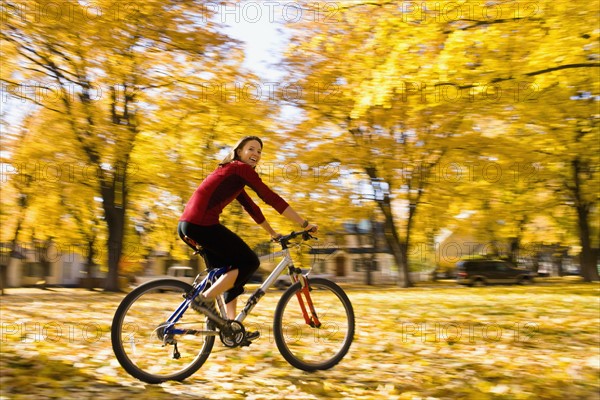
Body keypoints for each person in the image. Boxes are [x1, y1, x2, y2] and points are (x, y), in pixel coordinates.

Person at [177, 136, 317, 343]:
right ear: (239, 151)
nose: (256, 154)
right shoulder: (239, 169)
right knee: (249, 262)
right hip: (201, 224)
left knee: (231, 272)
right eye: (251, 149)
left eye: (260, 152)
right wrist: (304, 223)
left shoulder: (233, 174)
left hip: (188, 225)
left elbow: (252, 208)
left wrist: (272, 233)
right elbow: (270, 197)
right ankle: (203, 301)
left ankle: (230, 328)